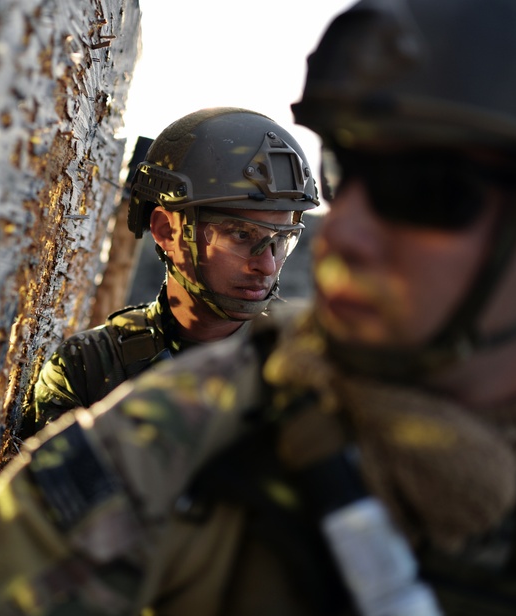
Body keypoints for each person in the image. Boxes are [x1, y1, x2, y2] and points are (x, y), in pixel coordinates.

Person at [0, 0, 516, 616]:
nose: (342, 238)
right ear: (173, 233)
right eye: (347, 174)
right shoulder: (158, 446)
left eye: (421, 191)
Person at [19, 107, 319, 437]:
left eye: (282, 239)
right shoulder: (89, 367)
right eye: (241, 234)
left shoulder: (316, 364)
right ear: (167, 230)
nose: (267, 265)